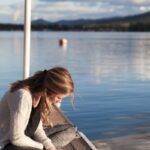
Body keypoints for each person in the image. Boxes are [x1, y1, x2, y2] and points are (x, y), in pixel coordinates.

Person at [0, 67, 77, 150]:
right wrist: (42, 147)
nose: (59, 101)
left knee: (70, 129)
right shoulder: (22, 96)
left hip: (26, 137)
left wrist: (49, 146)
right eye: (58, 97)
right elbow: (16, 138)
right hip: (8, 144)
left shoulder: (39, 96)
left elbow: (37, 129)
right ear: (48, 90)